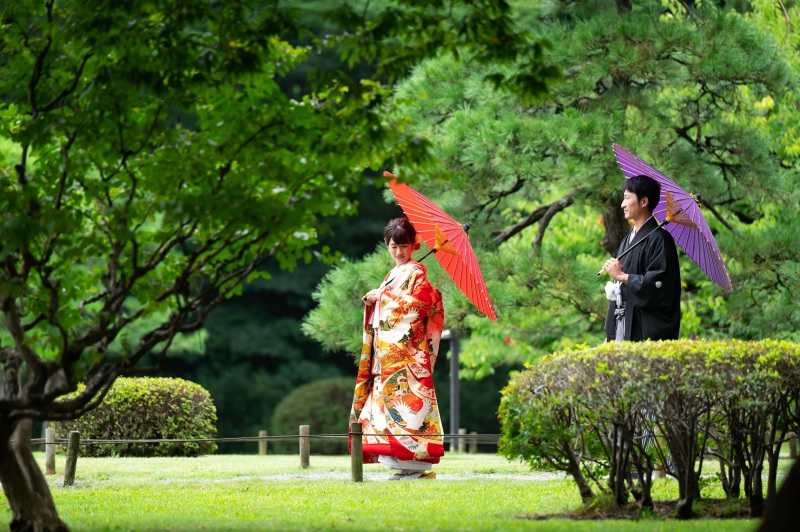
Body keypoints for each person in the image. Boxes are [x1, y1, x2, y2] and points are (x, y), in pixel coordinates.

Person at [350, 217, 445, 480]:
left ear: (414, 245)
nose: (398, 251)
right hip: (387, 356)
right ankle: (401, 466)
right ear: (387, 246)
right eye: (393, 246)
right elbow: (390, 303)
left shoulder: (416, 273)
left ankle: (416, 468)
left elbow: (418, 307)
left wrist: (382, 298)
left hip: (406, 358)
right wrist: (375, 300)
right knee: (385, 411)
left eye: (403, 245)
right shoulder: (393, 274)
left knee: (408, 411)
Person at [602, 174, 681, 342]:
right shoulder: (627, 240)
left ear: (644, 202)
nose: (622, 204)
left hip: (641, 329)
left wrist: (622, 277)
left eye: (627, 198)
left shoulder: (660, 239)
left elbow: (660, 286)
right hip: (622, 326)